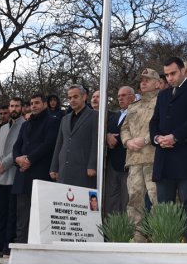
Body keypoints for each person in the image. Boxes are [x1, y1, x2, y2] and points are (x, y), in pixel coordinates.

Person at [150, 57, 187, 242]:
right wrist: (157, 138)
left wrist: (174, 137)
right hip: (164, 157)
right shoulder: (163, 95)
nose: (169, 78)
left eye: (173, 73)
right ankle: (167, 245)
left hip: (185, 156)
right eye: (166, 75)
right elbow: (154, 121)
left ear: (183, 70)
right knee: (165, 206)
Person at [12, 94, 59, 243]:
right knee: (22, 218)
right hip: (22, 176)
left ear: (45, 104)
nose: (33, 106)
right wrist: (17, 159)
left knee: (40, 217)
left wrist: (29, 160)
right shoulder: (25, 124)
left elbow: (48, 144)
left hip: (40, 175)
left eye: (37, 103)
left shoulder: (53, 121)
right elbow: (16, 145)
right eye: (31, 103)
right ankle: (20, 247)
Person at [120, 68, 161, 242]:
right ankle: (138, 237)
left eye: (148, 79)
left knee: (156, 198)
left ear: (157, 83)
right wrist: (127, 141)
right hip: (134, 158)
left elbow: (163, 124)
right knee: (134, 198)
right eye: (142, 80)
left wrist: (145, 140)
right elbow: (124, 127)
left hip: (153, 157)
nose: (143, 82)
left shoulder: (162, 101)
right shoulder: (133, 106)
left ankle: (160, 235)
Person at [0, 97, 26, 257]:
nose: (13, 108)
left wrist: (4, 164)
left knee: (12, 214)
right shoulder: (3, 127)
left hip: (12, 174)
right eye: (11, 106)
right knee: (0, 214)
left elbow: (19, 148)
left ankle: (7, 247)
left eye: (16, 106)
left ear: (22, 108)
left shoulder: (25, 125)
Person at [50, 85, 99, 189]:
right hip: (64, 170)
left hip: (83, 170)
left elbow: (96, 142)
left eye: (75, 97)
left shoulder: (95, 116)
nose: (72, 100)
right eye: (70, 98)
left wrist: (92, 166)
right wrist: (54, 167)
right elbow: (59, 144)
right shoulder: (65, 119)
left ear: (84, 97)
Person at [104, 86, 135, 215]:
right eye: (119, 96)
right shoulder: (114, 116)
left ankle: (126, 232)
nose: (120, 98)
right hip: (113, 163)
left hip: (129, 162)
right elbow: (105, 130)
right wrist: (107, 136)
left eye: (124, 95)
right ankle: (112, 231)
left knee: (126, 199)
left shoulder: (136, 113)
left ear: (132, 97)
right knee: (111, 198)